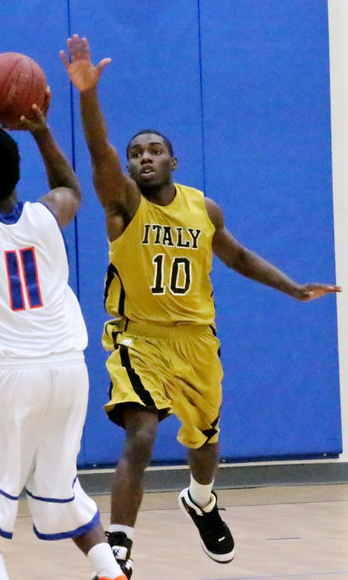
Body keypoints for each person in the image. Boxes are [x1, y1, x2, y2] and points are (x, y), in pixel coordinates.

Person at [60, 33, 342, 578]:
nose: (143, 157)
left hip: (196, 343)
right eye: (135, 152)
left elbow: (237, 256)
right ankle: (118, 544)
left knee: (204, 442)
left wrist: (293, 287)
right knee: (142, 432)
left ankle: (201, 499)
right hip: (137, 338)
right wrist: (88, 96)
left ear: (173, 160)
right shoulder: (123, 205)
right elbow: (98, 153)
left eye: (153, 150)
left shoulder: (202, 208)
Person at [0, 67, 128, 580]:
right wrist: (40, 129)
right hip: (69, 372)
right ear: (18, 174)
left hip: (13, 374)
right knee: (59, 483)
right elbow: (68, 185)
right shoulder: (49, 215)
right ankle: (110, 572)